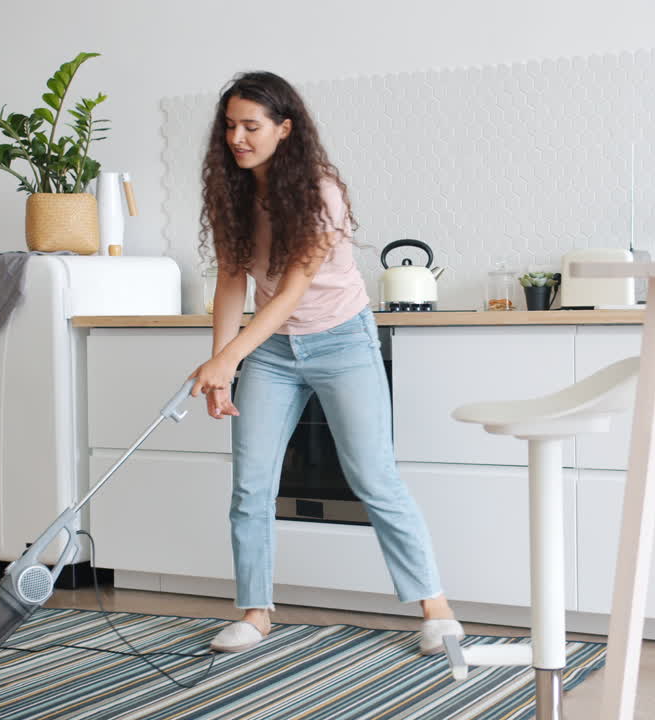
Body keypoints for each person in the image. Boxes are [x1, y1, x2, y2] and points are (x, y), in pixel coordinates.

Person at [188, 71, 462, 655]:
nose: (237, 137)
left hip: (342, 342)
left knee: (373, 476)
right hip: (273, 352)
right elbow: (232, 284)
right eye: (230, 126)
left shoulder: (320, 191)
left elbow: (290, 290)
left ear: (285, 130)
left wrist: (231, 355)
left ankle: (435, 610)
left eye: (251, 127)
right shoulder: (232, 193)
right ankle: (255, 613)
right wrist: (222, 363)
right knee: (251, 484)